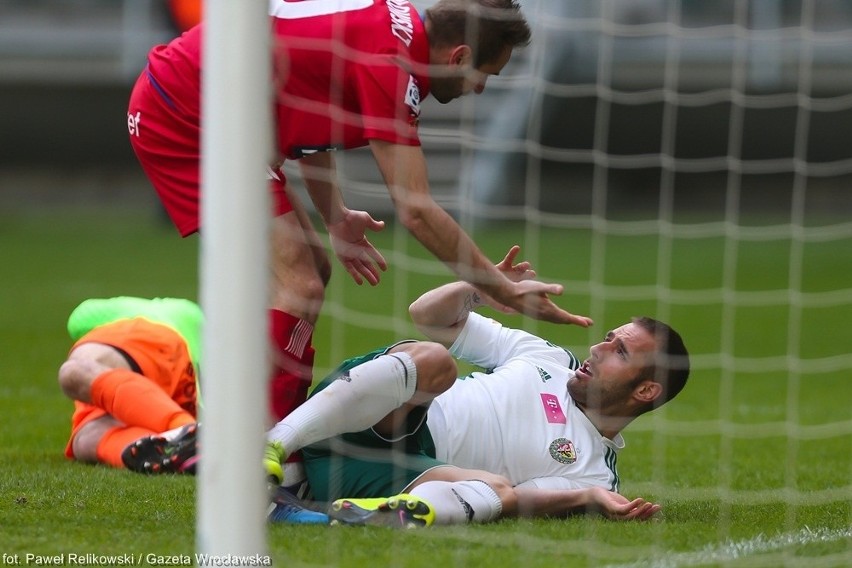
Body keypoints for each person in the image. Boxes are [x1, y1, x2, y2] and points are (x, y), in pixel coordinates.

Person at [126, 0, 591, 449]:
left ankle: (250, 430)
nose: (481, 88)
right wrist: (499, 287)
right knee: (298, 284)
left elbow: (311, 108)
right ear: (460, 56)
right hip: (185, 118)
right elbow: (417, 209)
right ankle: (256, 449)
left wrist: (336, 217)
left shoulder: (390, 25)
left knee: (311, 276)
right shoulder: (391, 66)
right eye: (484, 76)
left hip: (218, 114)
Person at [264, 246, 690, 526]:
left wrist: (588, 499)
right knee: (436, 360)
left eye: (620, 352)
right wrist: (481, 287)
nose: (598, 348)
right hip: (375, 407)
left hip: (386, 474)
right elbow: (427, 316)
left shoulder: (593, 473)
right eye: (609, 337)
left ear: (645, 391)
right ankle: (276, 444)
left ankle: (320, 515)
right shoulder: (549, 358)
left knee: (499, 492)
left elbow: (520, 500)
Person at [58, 296, 203, 474]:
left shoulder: (157, 312)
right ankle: (176, 449)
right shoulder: (197, 319)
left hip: (154, 346)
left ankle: (186, 430)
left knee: (73, 372)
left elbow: (80, 317)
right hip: (182, 398)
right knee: (85, 438)